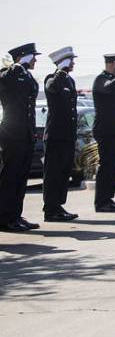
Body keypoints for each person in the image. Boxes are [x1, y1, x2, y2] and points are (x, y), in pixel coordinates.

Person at [0, 43, 41, 232]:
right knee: (10, 176)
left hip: (25, 132)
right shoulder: (9, 75)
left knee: (21, 177)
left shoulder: (27, 76)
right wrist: (16, 66)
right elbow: (5, 81)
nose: (35, 59)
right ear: (22, 56)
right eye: (32, 56)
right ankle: (5, 218)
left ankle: (16, 215)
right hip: (12, 133)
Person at [42, 46, 80, 222]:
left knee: (64, 172)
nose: (72, 63)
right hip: (56, 135)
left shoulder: (70, 81)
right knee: (53, 173)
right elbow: (52, 89)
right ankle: (50, 209)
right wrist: (60, 70)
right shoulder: (52, 78)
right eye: (69, 60)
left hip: (67, 134)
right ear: (61, 62)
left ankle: (59, 205)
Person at [92, 52, 115, 212]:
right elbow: (109, 88)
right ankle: (101, 202)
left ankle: (109, 198)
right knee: (106, 165)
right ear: (112, 64)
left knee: (113, 166)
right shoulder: (101, 79)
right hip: (105, 130)